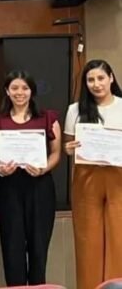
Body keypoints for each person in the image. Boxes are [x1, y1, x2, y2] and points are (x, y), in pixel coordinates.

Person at [0, 70, 61, 286]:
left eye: (24, 88)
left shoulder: (48, 118)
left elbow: (56, 153)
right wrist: (1, 170)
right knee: (12, 247)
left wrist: (43, 168)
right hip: (9, 188)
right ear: (7, 91)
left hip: (40, 187)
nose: (19, 93)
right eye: (14, 88)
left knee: (39, 247)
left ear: (32, 91)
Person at [63, 59, 122, 289]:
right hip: (86, 177)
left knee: (119, 238)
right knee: (88, 241)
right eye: (90, 80)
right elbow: (69, 144)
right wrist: (69, 149)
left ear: (111, 78)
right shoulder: (75, 110)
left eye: (100, 78)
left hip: (118, 176)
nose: (96, 84)